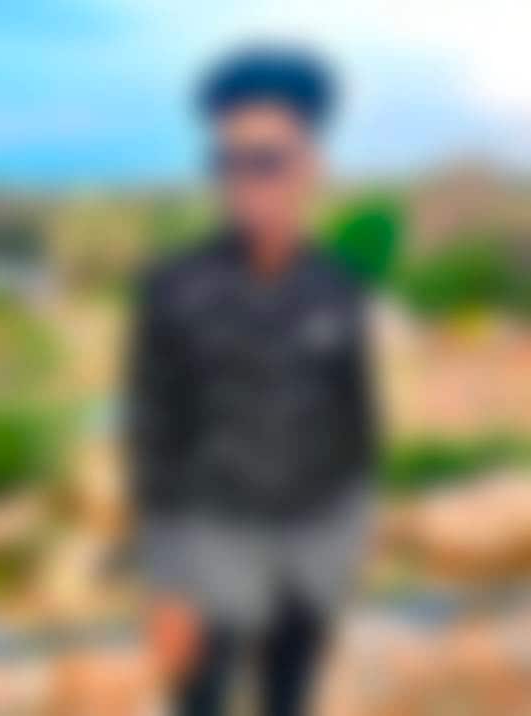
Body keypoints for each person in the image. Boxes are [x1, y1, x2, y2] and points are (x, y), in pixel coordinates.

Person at [129, 45, 377, 715]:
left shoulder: (338, 287)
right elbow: (154, 442)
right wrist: (167, 589)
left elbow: (356, 417)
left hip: (311, 555)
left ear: (309, 165)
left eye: (264, 160)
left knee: (287, 701)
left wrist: (349, 538)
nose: (242, 182)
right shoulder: (172, 289)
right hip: (213, 552)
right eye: (226, 162)